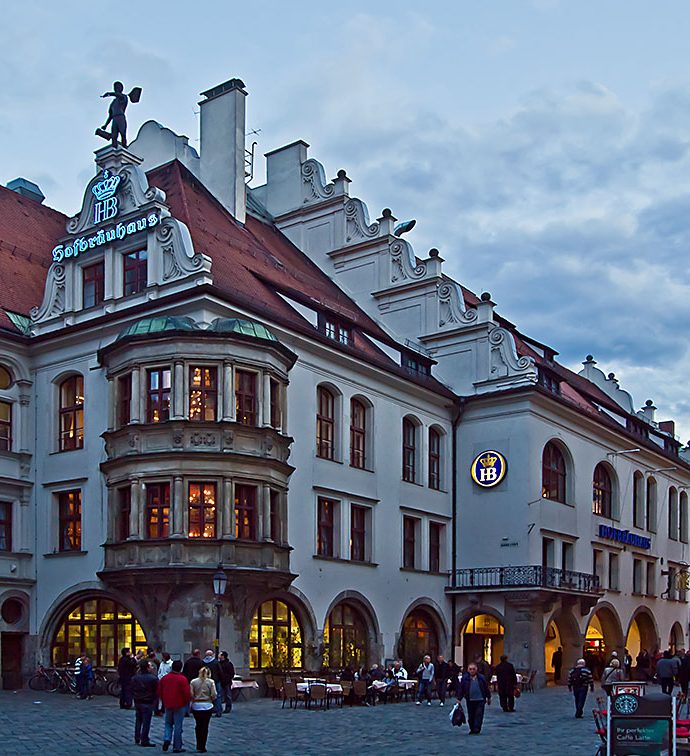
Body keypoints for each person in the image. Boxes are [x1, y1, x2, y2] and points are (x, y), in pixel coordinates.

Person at [159, 659, 191, 753]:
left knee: (168, 723)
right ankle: (177, 746)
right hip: (179, 704)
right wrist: (186, 703)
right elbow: (186, 693)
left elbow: (160, 691)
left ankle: (167, 738)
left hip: (168, 704)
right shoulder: (182, 679)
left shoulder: (165, 678)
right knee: (178, 726)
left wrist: (164, 700)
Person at [457, 662, 491, 734]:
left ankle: (477, 729)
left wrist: (489, 697)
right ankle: (472, 728)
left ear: (476, 669)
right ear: (468, 670)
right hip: (470, 699)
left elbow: (486, 688)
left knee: (479, 715)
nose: (472, 671)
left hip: (480, 699)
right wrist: (459, 698)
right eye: (470, 669)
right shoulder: (465, 678)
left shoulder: (481, 678)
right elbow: (462, 689)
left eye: (473, 669)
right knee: (471, 715)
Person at [131, 659, 159, 748]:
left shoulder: (135, 678)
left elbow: (132, 689)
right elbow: (156, 691)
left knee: (138, 720)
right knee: (146, 721)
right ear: (147, 667)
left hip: (138, 701)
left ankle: (137, 737)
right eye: (150, 666)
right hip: (148, 701)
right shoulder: (153, 678)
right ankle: (144, 739)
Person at [190, 666, 217, 754]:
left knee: (198, 725)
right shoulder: (210, 682)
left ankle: (198, 744)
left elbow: (191, 694)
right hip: (207, 704)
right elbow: (214, 694)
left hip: (196, 705)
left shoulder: (193, 682)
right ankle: (203, 746)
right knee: (205, 726)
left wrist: (194, 699)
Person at [201, 650, 223, 717]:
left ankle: (209, 710)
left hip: (206, 681)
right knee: (217, 696)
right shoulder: (216, 662)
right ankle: (218, 711)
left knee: (207, 696)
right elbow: (220, 672)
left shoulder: (203, 662)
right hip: (216, 681)